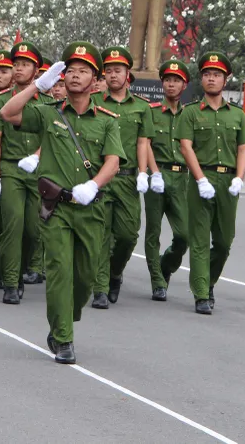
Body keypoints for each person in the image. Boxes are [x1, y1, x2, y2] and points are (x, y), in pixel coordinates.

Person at [0, 43, 124, 364]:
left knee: (84, 278)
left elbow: (113, 162)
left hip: (91, 208)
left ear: (95, 81)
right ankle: (63, 337)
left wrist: (93, 185)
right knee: (59, 272)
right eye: (71, 70)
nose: (76, 75)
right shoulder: (48, 112)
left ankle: (64, 317)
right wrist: (35, 86)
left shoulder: (107, 121)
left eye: (84, 71)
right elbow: (7, 113)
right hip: (56, 208)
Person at [177, 52, 245, 315]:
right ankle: (201, 293)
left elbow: (243, 148)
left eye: (217, 75)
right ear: (202, 79)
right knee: (199, 239)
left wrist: (239, 178)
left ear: (225, 80)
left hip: (228, 182)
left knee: (223, 242)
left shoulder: (237, 115)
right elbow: (186, 147)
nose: (211, 79)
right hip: (202, 178)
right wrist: (200, 179)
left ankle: (208, 281)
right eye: (207, 74)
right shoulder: (190, 113)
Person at [0, 42, 50, 305]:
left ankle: (18, 270)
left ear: (36, 71)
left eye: (25, 65)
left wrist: (37, 157)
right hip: (10, 169)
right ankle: (11, 282)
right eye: (16, 64)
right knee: (13, 224)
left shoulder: (48, 103)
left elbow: (52, 137)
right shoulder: (0, 101)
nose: (19, 69)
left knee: (33, 231)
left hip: (39, 171)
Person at [90, 46, 154, 309]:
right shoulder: (94, 102)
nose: (113, 75)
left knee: (127, 235)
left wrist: (143, 173)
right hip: (100, 177)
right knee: (101, 234)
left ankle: (115, 273)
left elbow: (142, 142)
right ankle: (100, 289)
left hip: (127, 179)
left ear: (128, 73)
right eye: (109, 71)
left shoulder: (141, 106)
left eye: (118, 70)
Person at [143, 58, 191, 301]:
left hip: (181, 178)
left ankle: (166, 265)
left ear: (184, 85)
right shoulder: (151, 112)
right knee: (153, 232)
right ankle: (157, 281)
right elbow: (145, 144)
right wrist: (154, 173)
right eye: (167, 80)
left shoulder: (190, 115)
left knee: (184, 235)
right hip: (158, 175)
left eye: (176, 81)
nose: (171, 84)